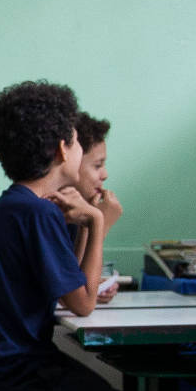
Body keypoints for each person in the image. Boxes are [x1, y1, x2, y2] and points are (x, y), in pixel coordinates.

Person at [0, 81, 161, 391]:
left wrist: (82, 223)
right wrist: (98, 222)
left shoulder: (16, 205)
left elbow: (71, 286)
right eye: (79, 142)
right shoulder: (37, 212)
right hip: (18, 376)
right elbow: (82, 303)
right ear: (63, 148)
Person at [71, 112, 121, 300]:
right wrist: (101, 226)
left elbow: (76, 286)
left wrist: (93, 288)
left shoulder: (75, 211)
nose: (105, 174)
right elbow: (80, 299)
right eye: (97, 165)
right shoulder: (49, 213)